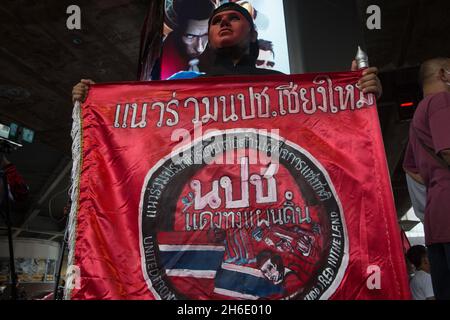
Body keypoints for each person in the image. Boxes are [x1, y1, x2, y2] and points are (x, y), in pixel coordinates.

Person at [73, 3, 382, 105]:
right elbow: (133, 121)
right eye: (216, 21)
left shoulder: (280, 86)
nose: (222, 22)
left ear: (254, 34)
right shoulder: (182, 85)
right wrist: (93, 99)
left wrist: (355, 97)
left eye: (233, 18)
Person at [403, 57, 450, 300]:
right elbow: (447, 149)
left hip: (436, 217)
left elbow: (410, 168)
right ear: (444, 74)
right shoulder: (442, 101)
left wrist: (436, 180)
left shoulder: (417, 118)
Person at [159, 0, 217, 79]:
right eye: (190, 36)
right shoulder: (167, 58)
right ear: (178, 31)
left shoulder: (218, 42)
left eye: (206, 35)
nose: (199, 48)